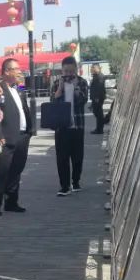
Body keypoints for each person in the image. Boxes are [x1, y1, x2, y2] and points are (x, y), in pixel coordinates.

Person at [0, 57, 33, 214]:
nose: (19, 72)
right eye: (16, 69)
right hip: (6, 137)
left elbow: (23, 107)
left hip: (22, 136)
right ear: (7, 71)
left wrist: (29, 132)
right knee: (2, 172)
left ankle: (11, 202)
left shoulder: (18, 88)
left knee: (16, 170)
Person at [49, 56, 90, 196]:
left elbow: (83, 100)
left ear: (76, 70)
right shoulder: (56, 83)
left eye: (71, 71)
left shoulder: (82, 82)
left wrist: (75, 87)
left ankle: (76, 181)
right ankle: (64, 186)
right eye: (66, 71)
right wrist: (60, 88)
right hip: (62, 126)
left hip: (77, 125)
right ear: (62, 70)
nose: (68, 74)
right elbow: (52, 102)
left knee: (77, 156)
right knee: (62, 158)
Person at [89, 63, 107, 134]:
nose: (92, 69)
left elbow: (100, 88)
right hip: (95, 97)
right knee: (97, 113)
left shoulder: (100, 76)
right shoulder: (96, 75)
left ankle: (99, 129)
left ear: (98, 68)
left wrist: (97, 98)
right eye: (92, 68)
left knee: (99, 113)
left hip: (98, 98)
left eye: (94, 68)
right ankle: (99, 127)